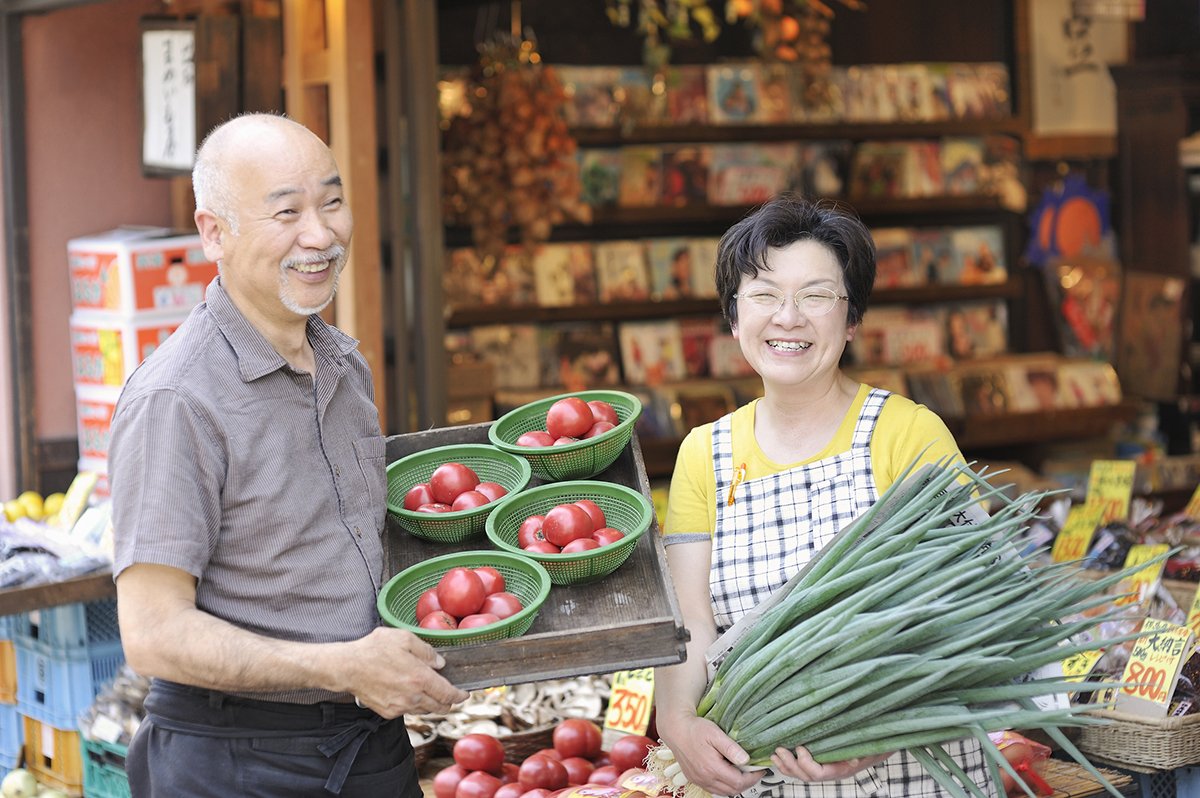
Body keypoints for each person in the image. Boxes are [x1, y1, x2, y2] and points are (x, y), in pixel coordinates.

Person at [108, 113, 468, 797]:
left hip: (366, 741)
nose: (321, 234)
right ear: (213, 232)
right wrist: (340, 666)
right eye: (287, 212)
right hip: (236, 760)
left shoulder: (342, 364)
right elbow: (152, 634)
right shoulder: (175, 399)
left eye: (332, 202)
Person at [655, 194, 996, 798]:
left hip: (913, 774)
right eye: (763, 294)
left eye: (816, 296)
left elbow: (975, 605)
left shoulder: (907, 433)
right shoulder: (702, 454)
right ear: (735, 317)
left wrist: (877, 723)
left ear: (852, 319)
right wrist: (679, 723)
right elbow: (691, 624)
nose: (788, 318)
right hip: (763, 773)